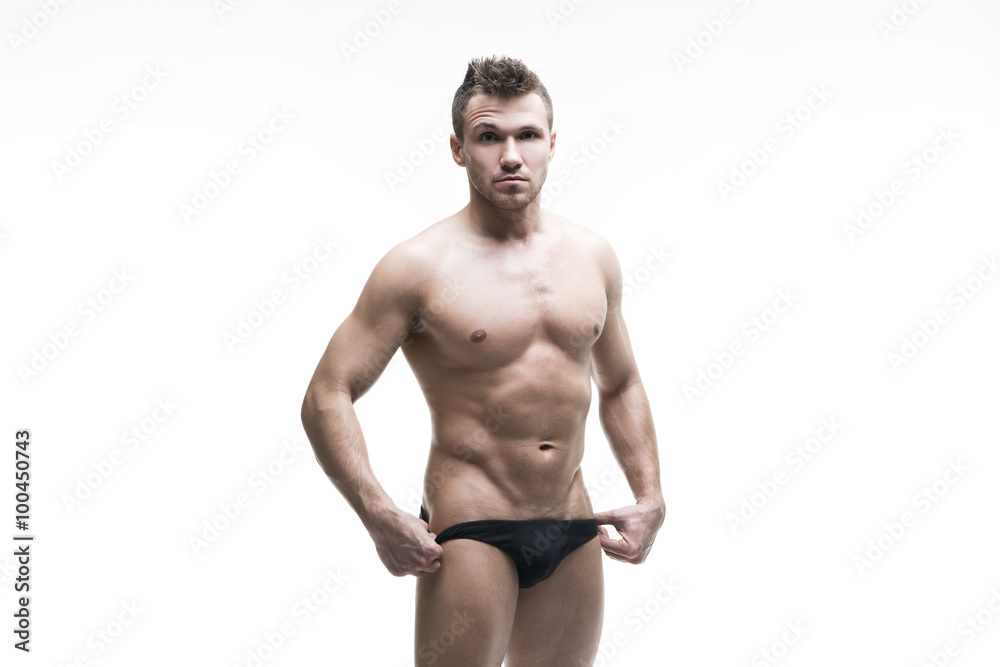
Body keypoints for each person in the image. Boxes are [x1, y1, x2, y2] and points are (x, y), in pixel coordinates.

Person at [301, 55, 664, 666]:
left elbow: (622, 381)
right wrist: (377, 512)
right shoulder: (419, 267)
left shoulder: (592, 256)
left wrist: (650, 492)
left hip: (570, 524)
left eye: (526, 135)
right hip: (472, 527)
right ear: (457, 148)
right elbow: (327, 393)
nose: (511, 154)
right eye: (489, 137)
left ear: (552, 141)